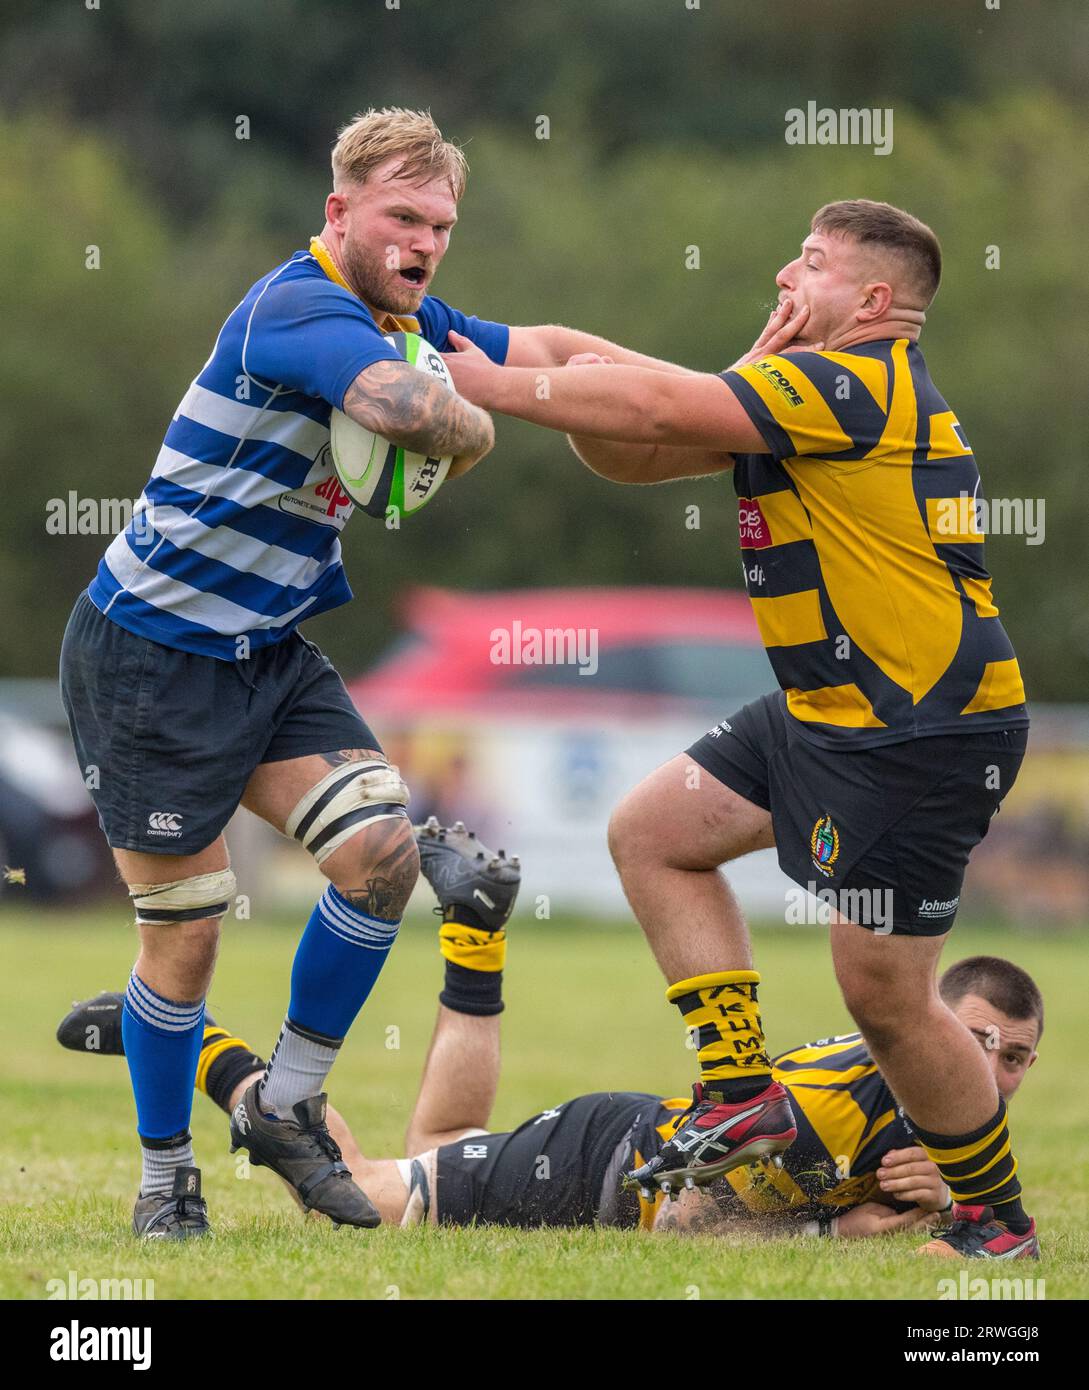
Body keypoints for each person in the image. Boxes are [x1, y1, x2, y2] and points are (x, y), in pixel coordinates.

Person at [57, 105, 704, 1241]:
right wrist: (477, 428)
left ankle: (289, 1107)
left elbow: (545, 350)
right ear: (339, 211)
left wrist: (721, 397)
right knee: (190, 935)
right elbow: (397, 404)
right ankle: (167, 1181)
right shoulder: (297, 306)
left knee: (382, 854)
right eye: (404, 217)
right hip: (148, 656)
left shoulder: (407, 312)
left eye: (442, 225)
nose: (425, 242)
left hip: (266, 652)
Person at [440, 200, 1035, 1258]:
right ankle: (739, 1089)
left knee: (887, 999)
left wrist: (490, 387)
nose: (783, 273)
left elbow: (660, 410)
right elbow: (634, 448)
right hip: (825, 712)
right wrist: (534, 365)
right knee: (653, 832)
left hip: (920, 727)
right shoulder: (801, 389)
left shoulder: (856, 382)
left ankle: (996, 1222)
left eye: (810, 262)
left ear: (874, 300)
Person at [58, 822, 1043, 1247]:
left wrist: (929, 1205)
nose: (990, 1069)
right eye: (978, 1040)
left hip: (605, 1154)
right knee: (353, 1202)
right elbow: (699, 1227)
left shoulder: (932, 1142)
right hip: (600, 1174)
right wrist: (848, 1227)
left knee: (437, 1152)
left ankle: (475, 933)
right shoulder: (861, 1103)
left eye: (1016, 1057)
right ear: (932, 1025)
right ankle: (192, 1045)